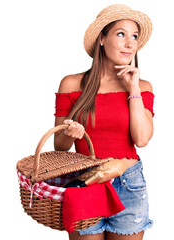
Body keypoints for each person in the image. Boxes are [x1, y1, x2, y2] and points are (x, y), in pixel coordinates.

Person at [54, 4, 154, 240]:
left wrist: (133, 88)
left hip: (128, 184)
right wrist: (71, 132)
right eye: (121, 34)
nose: (130, 43)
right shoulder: (72, 84)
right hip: (85, 182)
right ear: (101, 38)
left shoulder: (143, 87)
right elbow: (60, 145)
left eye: (134, 36)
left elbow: (141, 139)